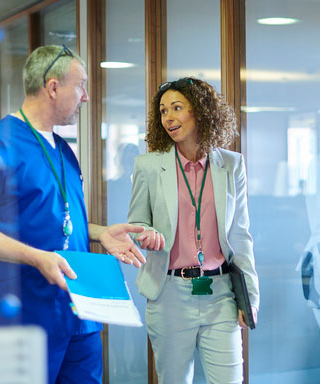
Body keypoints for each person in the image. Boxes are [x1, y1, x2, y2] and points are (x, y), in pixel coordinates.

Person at [0, 45, 146, 384]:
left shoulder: (65, 150)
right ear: (53, 87)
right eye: (81, 85)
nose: (85, 97)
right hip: (23, 319)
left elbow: (55, 217)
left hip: (78, 314)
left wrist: (98, 233)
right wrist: (37, 257)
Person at [127, 77, 260, 384]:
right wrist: (145, 234)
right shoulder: (148, 166)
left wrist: (250, 297)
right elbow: (137, 223)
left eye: (177, 108)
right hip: (169, 293)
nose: (168, 118)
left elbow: (240, 236)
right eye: (162, 111)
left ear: (200, 112)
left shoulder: (231, 164)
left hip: (221, 294)